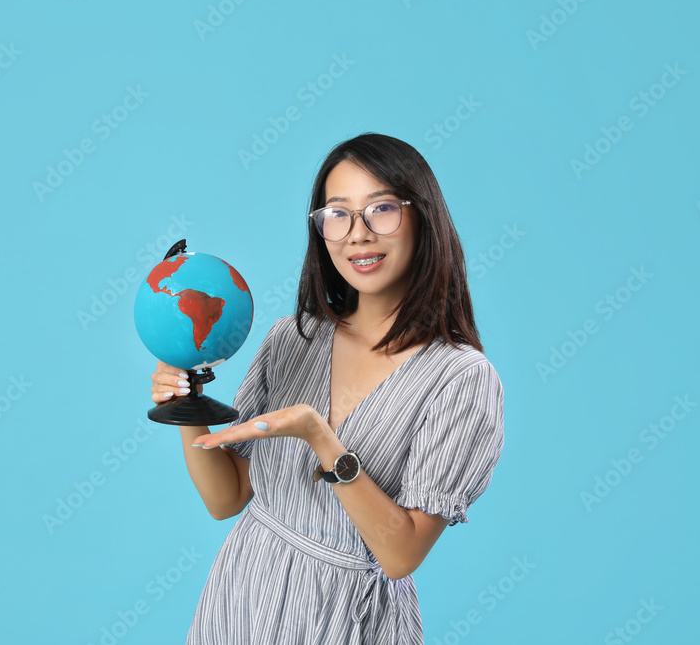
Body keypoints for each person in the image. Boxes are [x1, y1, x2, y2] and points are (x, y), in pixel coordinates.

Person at [149, 133, 505, 644]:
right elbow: (226, 498)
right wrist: (187, 401)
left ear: (423, 218)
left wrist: (322, 439)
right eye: (337, 214)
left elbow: (400, 555)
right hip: (242, 597)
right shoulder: (293, 338)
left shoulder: (460, 379)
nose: (358, 234)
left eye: (381, 209)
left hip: (346, 617)